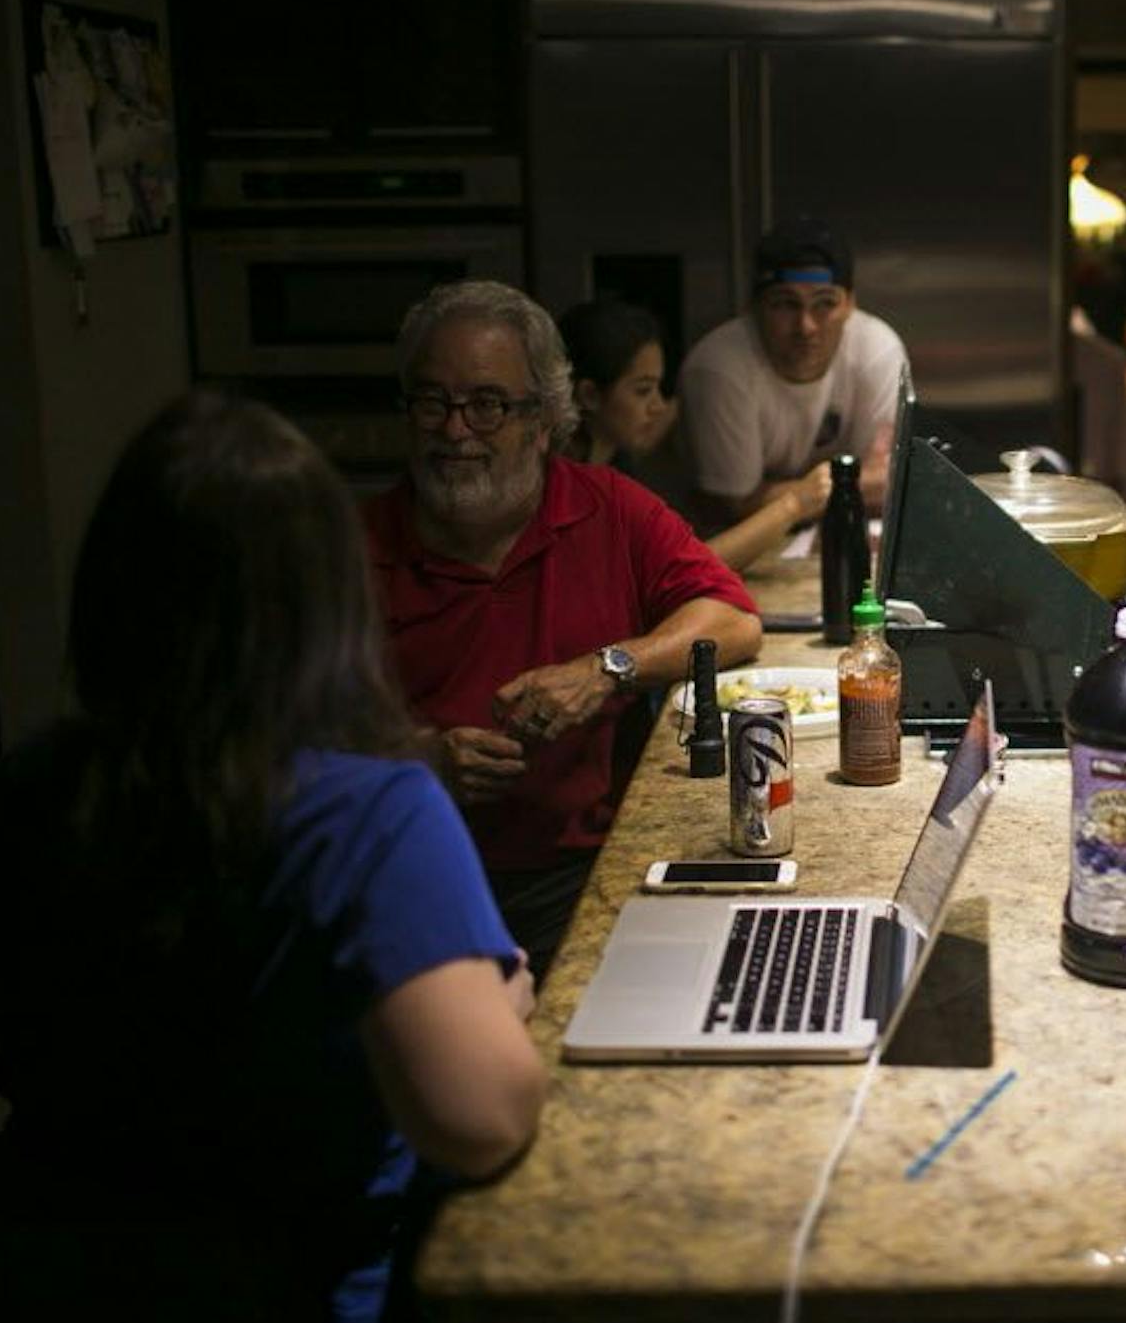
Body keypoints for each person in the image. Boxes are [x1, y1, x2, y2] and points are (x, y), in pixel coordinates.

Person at [0, 392, 545, 1319]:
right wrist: (506, 996)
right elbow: (480, 1122)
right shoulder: (371, 812)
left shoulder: (22, 785)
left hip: (80, 1290)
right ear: (332, 601)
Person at [366, 280, 761, 976]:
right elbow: (280, 749)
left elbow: (731, 619)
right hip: (406, 880)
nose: (456, 431)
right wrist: (416, 762)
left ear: (544, 420)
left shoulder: (608, 508)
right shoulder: (350, 549)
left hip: (577, 877)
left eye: (488, 405)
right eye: (433, 402)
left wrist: (606, 667)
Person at [559, 295, 830, 571]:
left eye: (658, 388)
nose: (657, 406)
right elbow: (681, 568)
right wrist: (794, 504)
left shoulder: (614, 466)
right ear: (590, 395)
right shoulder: (564, 491)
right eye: (642, 391)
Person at [677, 216, 907, 523]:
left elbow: (884, 486)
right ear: (754, 307)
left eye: (824, 303)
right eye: (785, 304)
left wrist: (775, 496)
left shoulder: (877, 351)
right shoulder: (718, 369)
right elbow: (731, 507)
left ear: (850, 304)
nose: (806, 326)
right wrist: (848, 485)